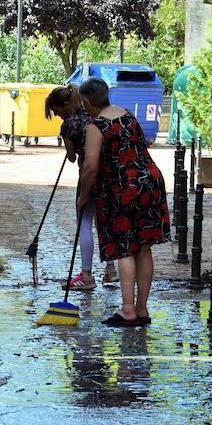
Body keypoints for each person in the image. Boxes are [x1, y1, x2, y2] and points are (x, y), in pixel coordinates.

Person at [75, 77, 170, 327]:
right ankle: (142, 308)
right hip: (150, 181)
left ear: (86, 103)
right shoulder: (127, 115)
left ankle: (127, 309)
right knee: (144, 247)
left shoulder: (97, 126)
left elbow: (90, 165)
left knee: (125, 247)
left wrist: (83, 196)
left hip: (122, 187)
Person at [44, 86, 117, 291]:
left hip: (88, 174)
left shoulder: (68, 125)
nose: (57, 115)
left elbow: (72, 156)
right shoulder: (92, 114)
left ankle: (86, 275)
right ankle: (111, 270)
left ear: (65, 105)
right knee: (103, 222)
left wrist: (71, 148)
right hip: (108, 175)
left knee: (84, 222)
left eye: (56, 110)